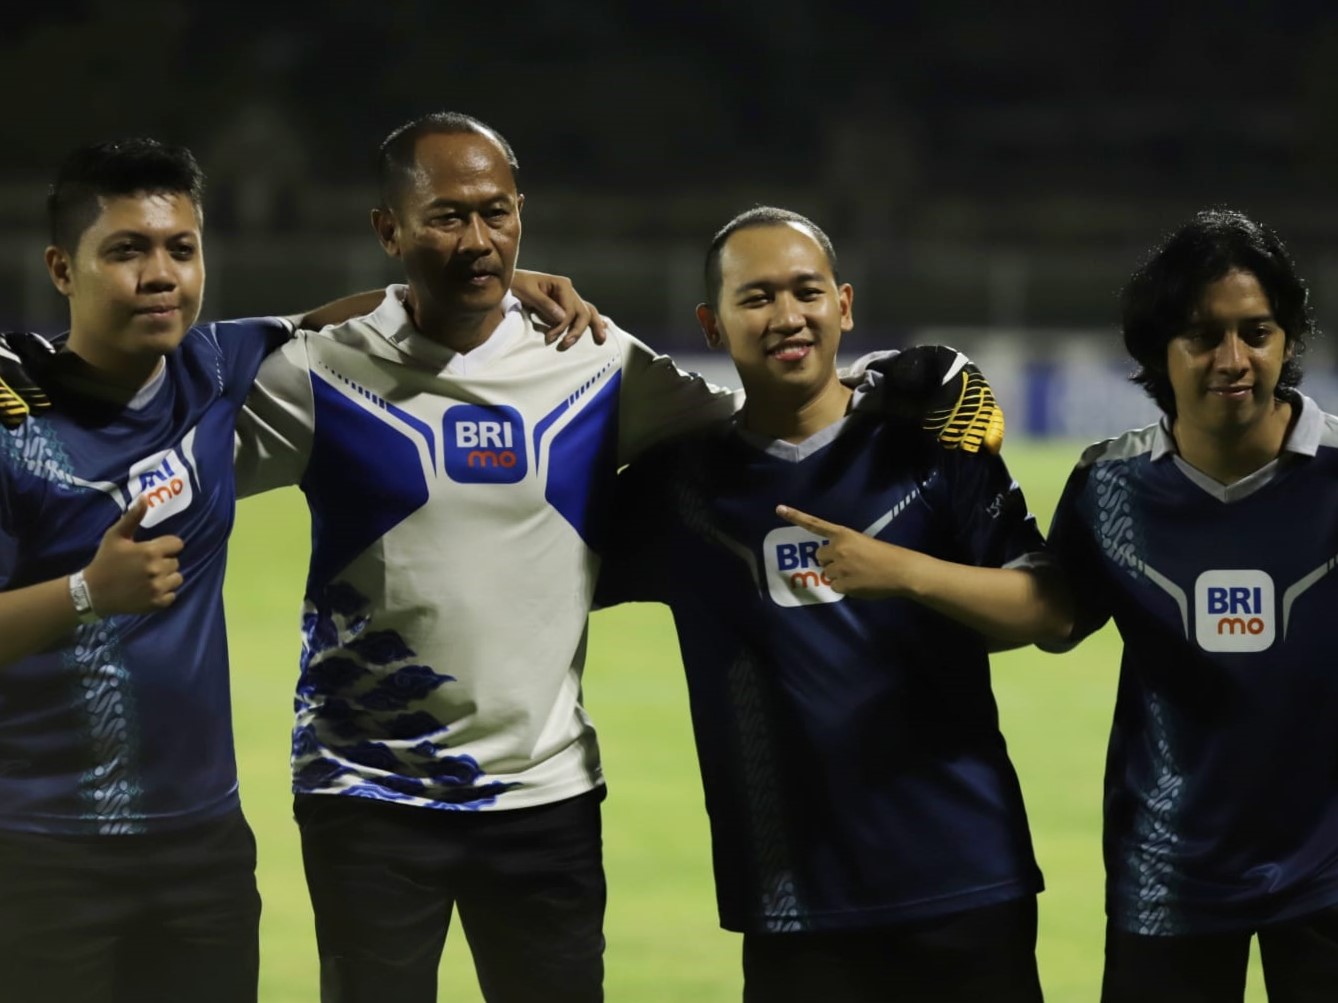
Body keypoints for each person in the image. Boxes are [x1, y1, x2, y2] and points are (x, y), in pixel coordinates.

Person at [0, 137, 599, 1003]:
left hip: (202, 848)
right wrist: (88, 593)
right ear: (63, 268)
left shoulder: (214, 367)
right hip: (39, 845)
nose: (160, 275)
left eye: (180, 248)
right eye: (127, 251)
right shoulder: (14, 418)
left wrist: (505, 282)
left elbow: (342, 317)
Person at [787, 208, 1338, 1002]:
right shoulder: (1112, 485)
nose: (1233, 359)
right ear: (1159, 349)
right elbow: (1051, 616)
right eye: (1202, 335)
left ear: (1287, 341)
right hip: (1169, 877)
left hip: (1328, 874)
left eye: (1257, 332)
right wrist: (903, 572)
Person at [593, 206, 1054, 1002]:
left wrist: (909, 572)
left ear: (843, 305)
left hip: (968, 880)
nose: (786, 316)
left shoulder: (932, 443)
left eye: (806, 291)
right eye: (756, 297)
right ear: (711, 323)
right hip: (794, 901)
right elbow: (534, 563)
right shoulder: (682, 486)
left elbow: (1052, 611)